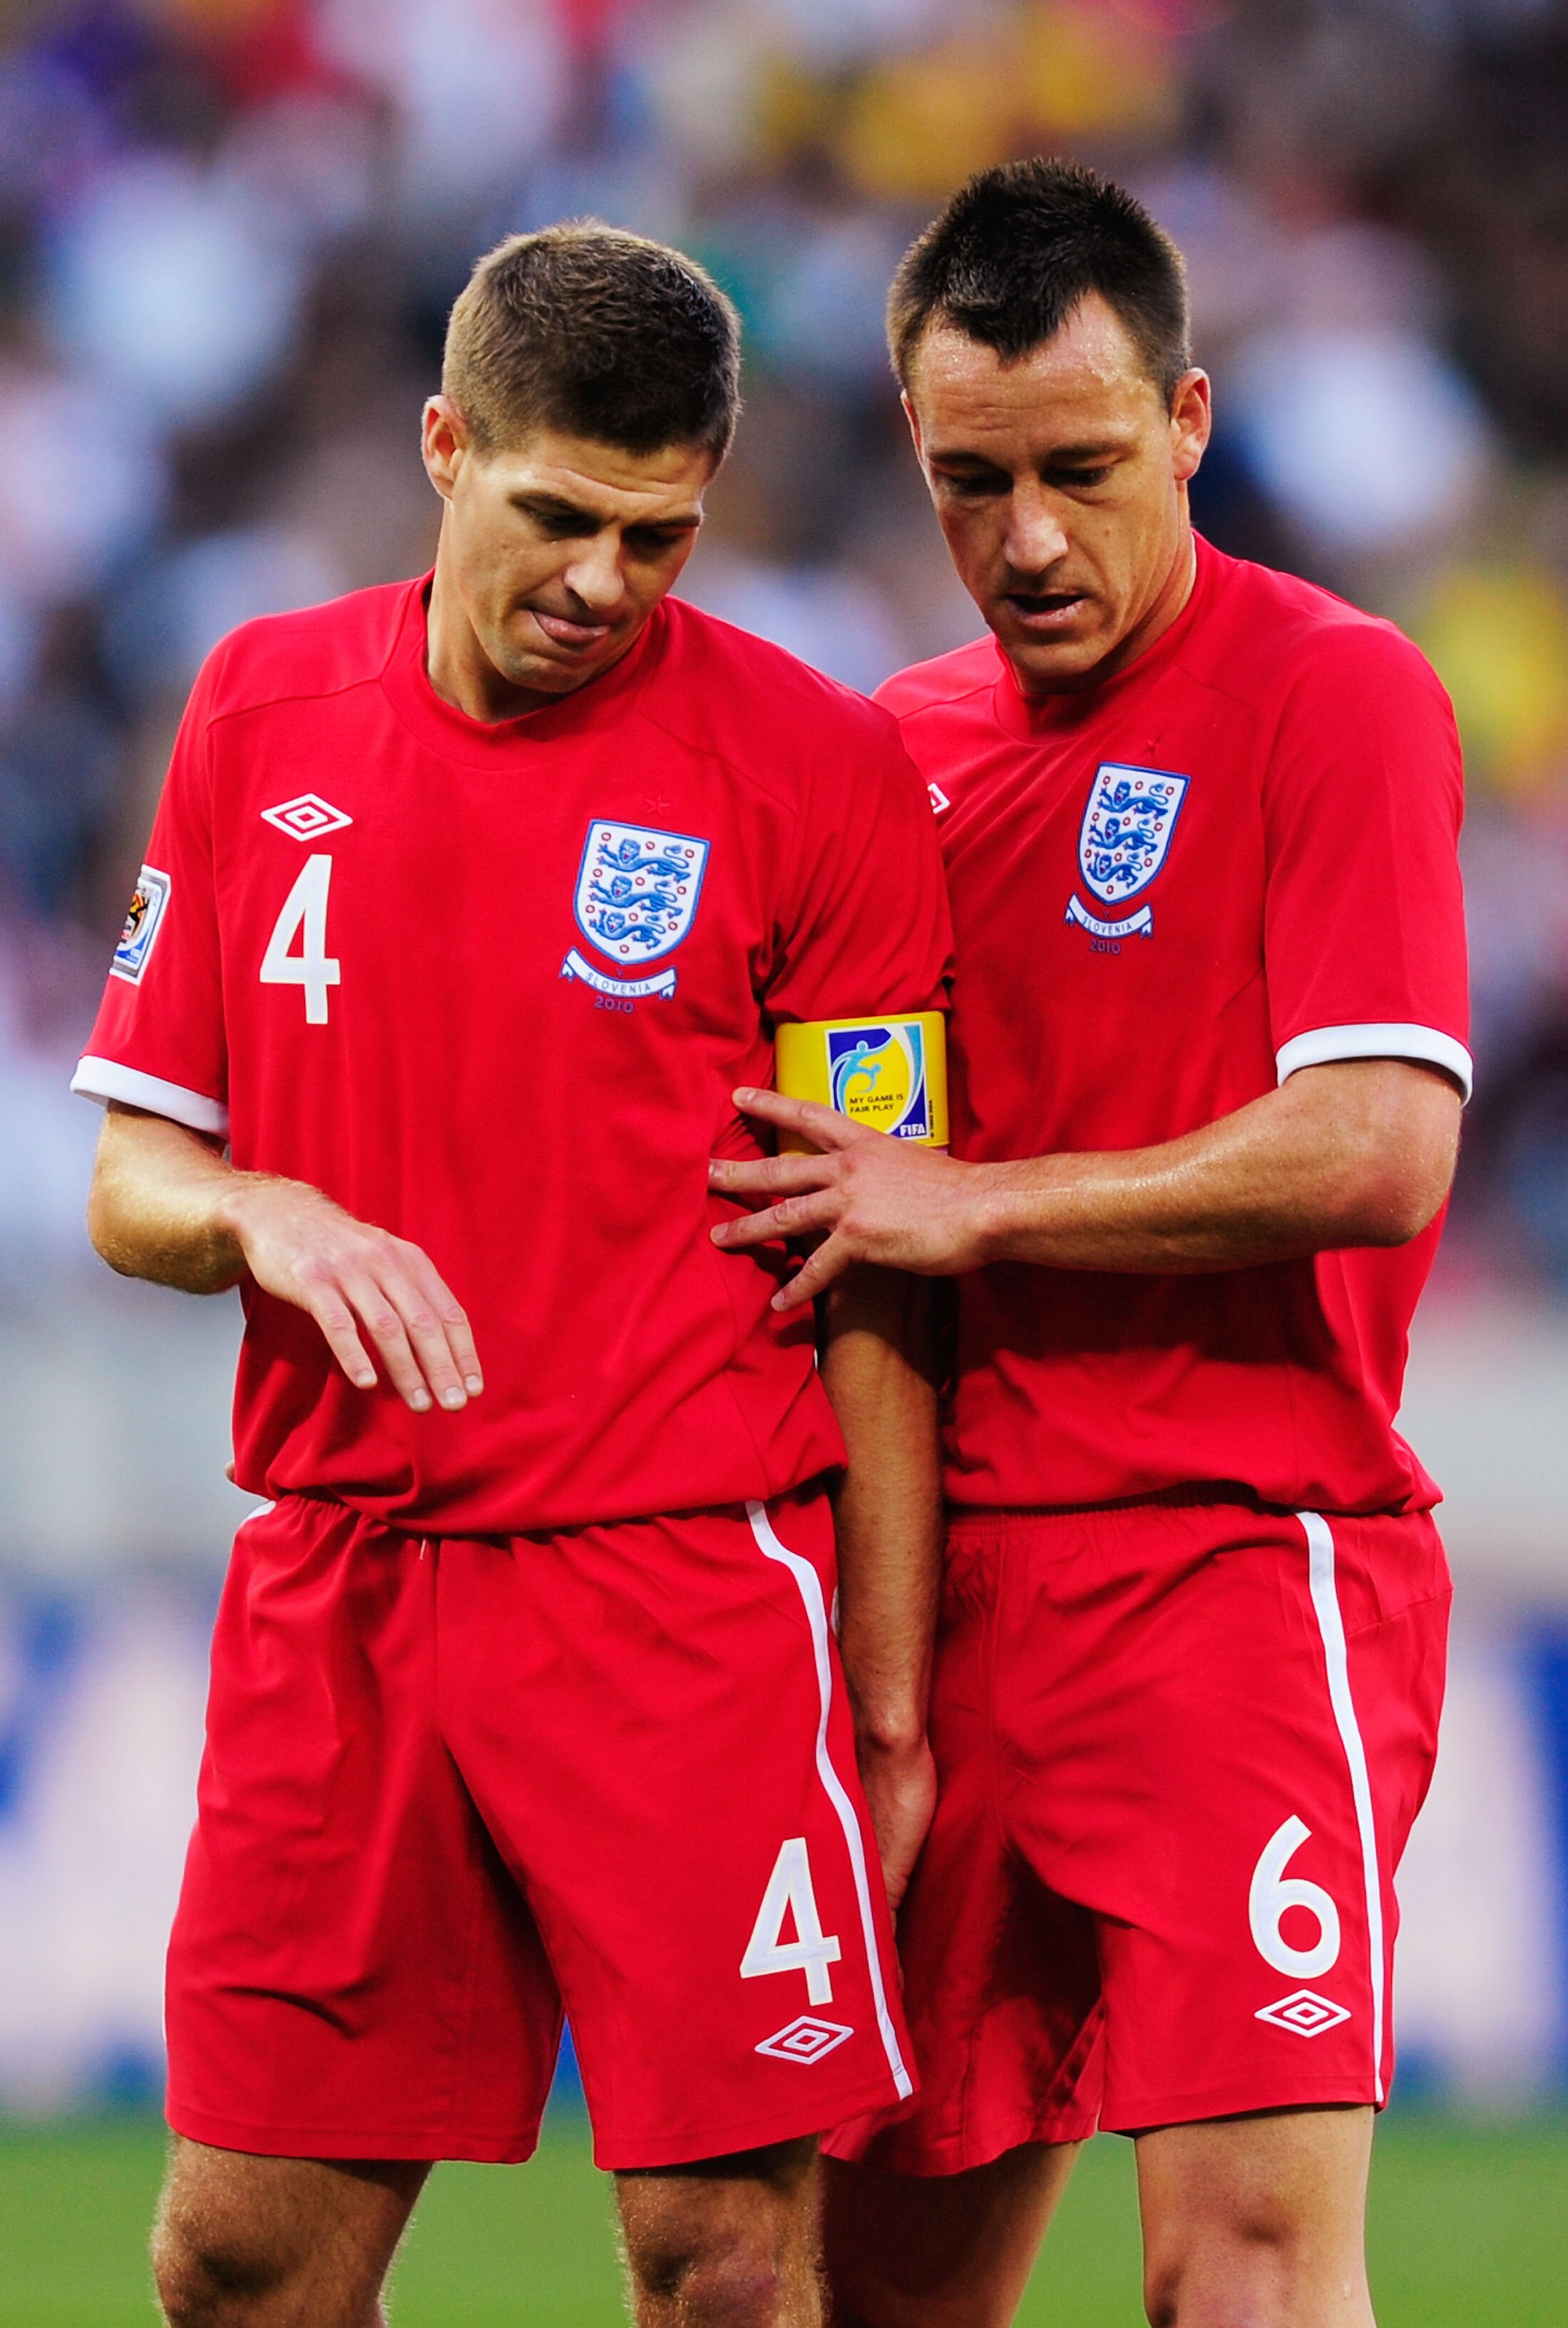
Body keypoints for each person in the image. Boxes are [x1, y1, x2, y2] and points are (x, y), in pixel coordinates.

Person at [72, 223, 949, 2328]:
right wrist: (257, 1212)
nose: (602, 586)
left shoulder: (817, 775)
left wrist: (897, 1699)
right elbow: (133, 1174)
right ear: (447, 446)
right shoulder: (258, 705)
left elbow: (881, 1264)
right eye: (559, 516)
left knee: (728, 2265)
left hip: (681, 1591)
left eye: (660, 539)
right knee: (234, 2264)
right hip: (344, 1588)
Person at [709, 160, 1467, 2328]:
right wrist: (875, 1677)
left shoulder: (1336, 694)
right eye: (971, 482)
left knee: (1234, 2269)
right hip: (946, 1603)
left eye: (1081, 469)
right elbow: (837, 1225)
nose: (1027, 539)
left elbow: (1380, 1143)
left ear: (1194, 421)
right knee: (865, 2296)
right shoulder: (883, 762)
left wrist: (988, 1201)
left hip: (1235, 1563)